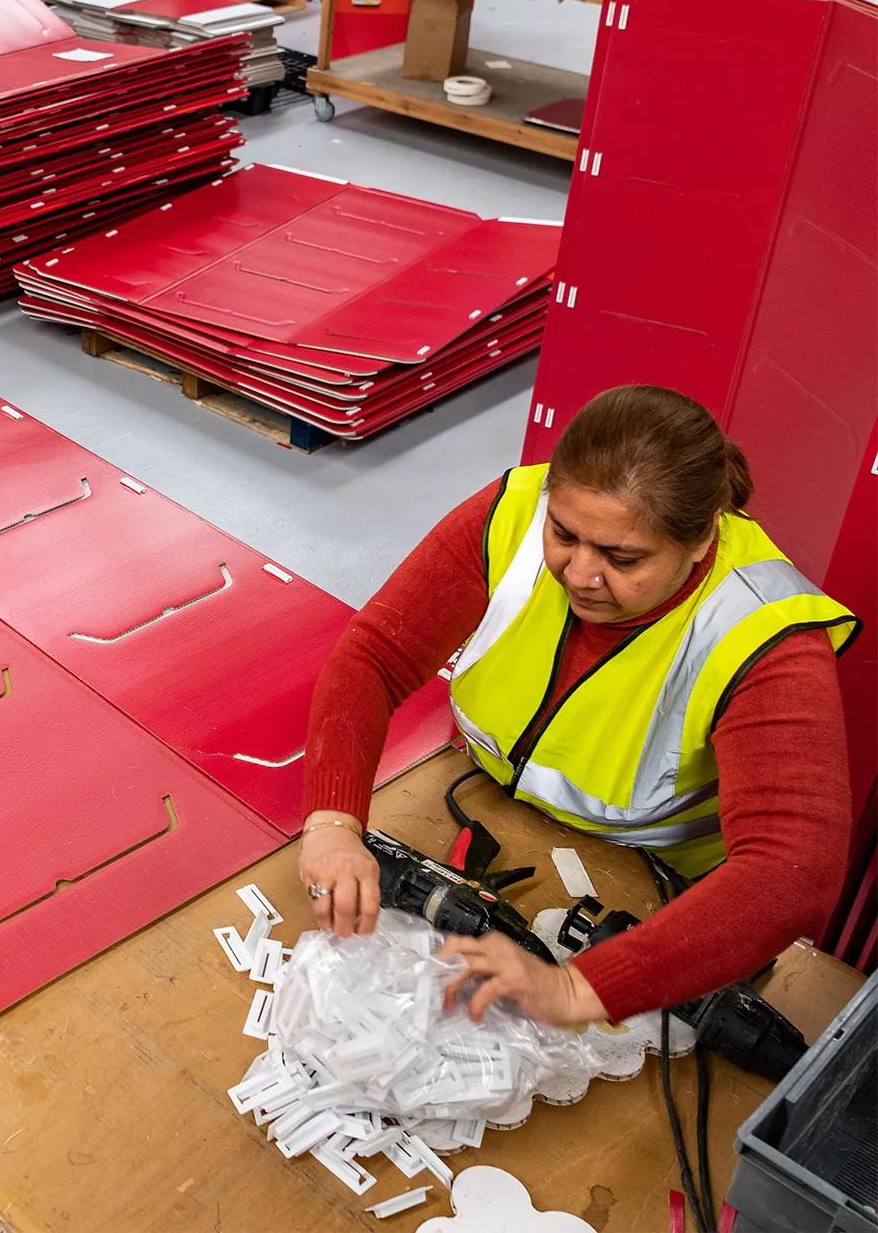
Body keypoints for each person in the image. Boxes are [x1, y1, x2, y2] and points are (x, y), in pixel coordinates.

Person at [297, 385, 858, 1029]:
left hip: (658, 896)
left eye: (623, 558)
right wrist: (334, 823)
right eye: (563, 534)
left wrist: (578, 989)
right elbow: (376, 656)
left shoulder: (761, 632)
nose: (579, 573)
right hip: (495, 809)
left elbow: (794, 871)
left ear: (701, 540)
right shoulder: (513, 513)